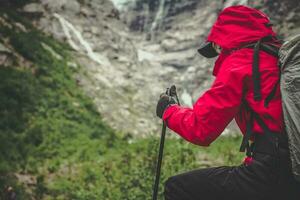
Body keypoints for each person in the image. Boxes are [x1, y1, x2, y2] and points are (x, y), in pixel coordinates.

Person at [156, 5, 300, 200]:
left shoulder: (240, 63)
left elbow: (201, 129)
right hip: (292, 167)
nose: (218, 51)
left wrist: (169, 111)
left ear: (224, 39)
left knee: (178, 187)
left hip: (268, 170)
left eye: (217, 46)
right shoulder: (278, 58)